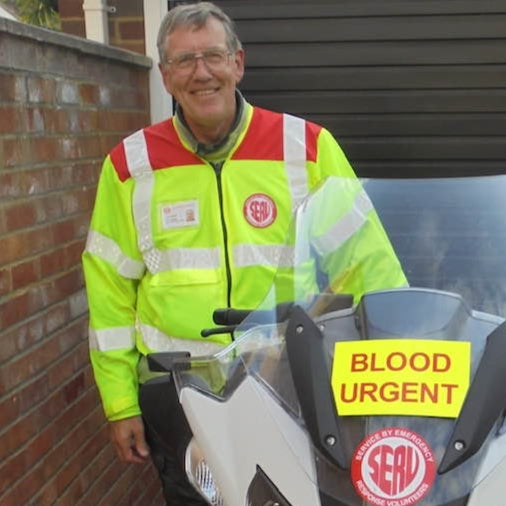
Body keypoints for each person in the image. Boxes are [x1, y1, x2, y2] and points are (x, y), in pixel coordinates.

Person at [81, 2, 406, 504]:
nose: (201, 72)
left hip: (291, 381)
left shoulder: (307, 148)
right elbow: (109, 297)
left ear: (238, 62)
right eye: (184, 61)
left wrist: (398, 371)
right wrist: (121, 403)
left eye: (213, 55)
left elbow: (370, 267)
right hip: (180, 388)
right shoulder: (129, 166)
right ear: (165, 76)